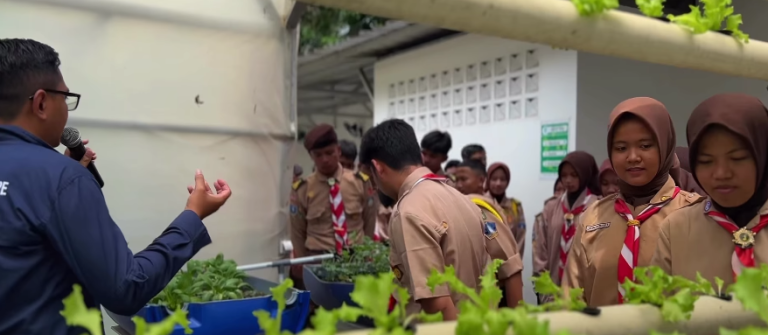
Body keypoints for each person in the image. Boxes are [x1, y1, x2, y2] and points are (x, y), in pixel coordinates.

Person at [0, 38, 232, 335]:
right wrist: (192, 216)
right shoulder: (63, 179)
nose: (68, 110)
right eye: (66, 99)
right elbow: (125, 289)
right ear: (42, 102)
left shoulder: (59, 177)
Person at [562, 97, 702, 307]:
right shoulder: (593, 215)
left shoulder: (695, 213)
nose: (633, 157)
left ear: (664, 147)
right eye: (621, 148)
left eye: (645, 145)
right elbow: (571, 296)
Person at [359, 119, 488, 320]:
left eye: (372, 176)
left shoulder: (409, 212)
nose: (375, 185)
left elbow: (437, 305)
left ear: (378, 167)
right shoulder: (461, 198)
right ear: (418, 155)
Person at [651, 93, 768, 288]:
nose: (721, 173)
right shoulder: (677, 228)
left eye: (737, 158)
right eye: (706, 161)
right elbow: (656, 308)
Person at [289, 124, 377, 289]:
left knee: (356, 308)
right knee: (320, 310)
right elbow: (297, 231)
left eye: (329, 153)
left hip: (354, 258)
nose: (325, 159)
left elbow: (369, 220)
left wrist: (367, 253)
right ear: (311, 156)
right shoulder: (303, 189)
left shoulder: (359, 183)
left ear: (338, 150)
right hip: (318, 260)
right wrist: (302, 262)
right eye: (318, 155)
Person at [453, 160, 524, 308]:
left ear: (480, 181)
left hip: (485, 294)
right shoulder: (461, 205)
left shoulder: (480, 208)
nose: (459, 185)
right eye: (456, 180)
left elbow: (509, 262)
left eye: (464, 179)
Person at [537, 151, 601, 290]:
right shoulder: (551, 207)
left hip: (584, 288)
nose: (568, 180)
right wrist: (542, 286)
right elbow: (541, 249)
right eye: (564, 175)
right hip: (552, 287)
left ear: (584, 174)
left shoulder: (598, 207)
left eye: (574, 175)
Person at [532, 177, 565, 303]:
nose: (560, 193)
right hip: (547, 285)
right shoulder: (542, 217)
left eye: (564, 190)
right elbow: (537, 254)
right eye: (557, 189)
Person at [486, 162, 527, 256]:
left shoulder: (515, 207)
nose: (498, 183)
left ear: (507, 181)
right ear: (488, 180)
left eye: (502, 179)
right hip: (486, 265)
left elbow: (520, 238)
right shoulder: (480, 204)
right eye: (494, 179)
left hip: (511, 262)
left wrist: (515, 263)